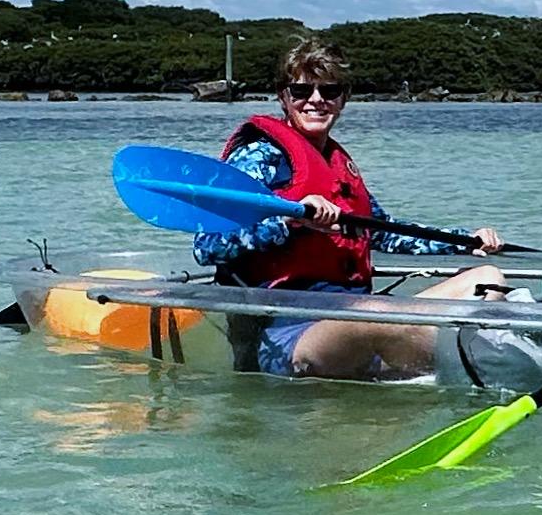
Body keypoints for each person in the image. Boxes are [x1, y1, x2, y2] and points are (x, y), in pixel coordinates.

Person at [189, 39, 506, 379]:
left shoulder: (337, 163)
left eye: (329, 91)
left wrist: (464, 241)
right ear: (283, 97)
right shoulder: (259, 157)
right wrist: (291, 219)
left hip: (356, 317)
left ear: (343, 99)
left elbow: (384, 231)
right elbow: (207, 246)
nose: (316, 100)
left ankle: (456, 364)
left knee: (488, 279)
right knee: (377, 315)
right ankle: (464, 370)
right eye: (301, 90)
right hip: (288, 332)